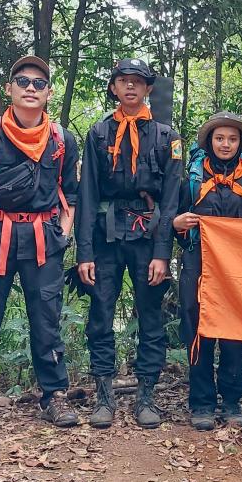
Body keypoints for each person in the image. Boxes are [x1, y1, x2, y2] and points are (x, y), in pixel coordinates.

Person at [0, 55, 80, 437]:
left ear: (48, 93)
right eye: (23, 81)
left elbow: (70, 194)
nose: (31, 87)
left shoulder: (61, 139)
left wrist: (63, 231)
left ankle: (53, 396)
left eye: (39, 83)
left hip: (43, 239)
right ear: (9, 88)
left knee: (46, 320)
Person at [75, 58, 182, 429]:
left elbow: (170, 200)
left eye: (138, 82)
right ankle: (104, 395)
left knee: (151, 316)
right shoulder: (99, 133)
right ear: (114, 87)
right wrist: (83, 252)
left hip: (148, 234)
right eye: (123, 81)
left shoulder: (168, 136)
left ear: (149, 89)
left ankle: (146, 396)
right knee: (100, 314)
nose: (131, 87)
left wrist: (162, 254)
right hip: (105, 235)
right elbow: (86, 192)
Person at [174, 112, 242, 431]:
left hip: (239, 269)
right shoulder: (191, 177)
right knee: (198, 331)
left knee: (234, 332)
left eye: (232, 139)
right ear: (209, 142)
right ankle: (201, 403)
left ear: (240, 143)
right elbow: (173, 219)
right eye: (220, 138)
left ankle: (232, 400)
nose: (225, 144)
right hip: (197, 264)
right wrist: (178, 225)